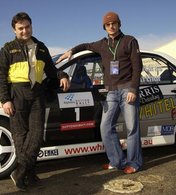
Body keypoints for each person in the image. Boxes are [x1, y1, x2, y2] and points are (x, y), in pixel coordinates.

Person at [56, 11, 143, 174]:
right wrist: (71, 51)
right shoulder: (102, 44)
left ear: (119, 24)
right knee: (105, 126)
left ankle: (134, 162)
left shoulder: (130, 41)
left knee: (132, 128)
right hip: (111, 93)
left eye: (114, 23)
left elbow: (138, 67)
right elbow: (86, 46)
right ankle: (116, 161)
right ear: (104, 27)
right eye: (108, 24)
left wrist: (133, 89)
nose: (111, 26)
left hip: (127, 90)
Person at [0, 12, 70, 191]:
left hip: (37, 94)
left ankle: (19, 171)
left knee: (36, 136)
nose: (25, 31)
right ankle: (28, 173)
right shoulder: (7, 48)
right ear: (14, 30)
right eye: (20, 28)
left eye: (27, 27)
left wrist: (62, 75)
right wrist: (5, 100)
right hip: (17, 94)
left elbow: (52, 71)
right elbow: (0, 76)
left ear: (31, 26)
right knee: (20, 137)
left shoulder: (41, 47)